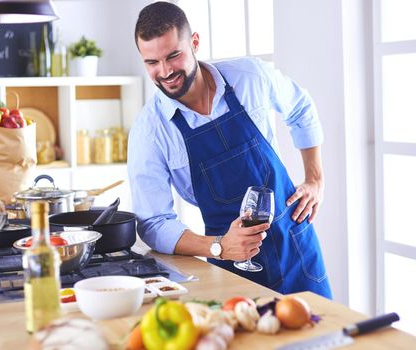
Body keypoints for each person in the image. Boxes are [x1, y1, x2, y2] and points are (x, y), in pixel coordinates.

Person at [128, 1, 332, 298]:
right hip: (230, 265)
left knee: (327, 339)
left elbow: (300, 108)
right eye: (152, 63)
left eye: (174, 55)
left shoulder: (250, 77)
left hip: (296, 249)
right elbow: (154, 222)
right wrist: (218, 246)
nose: (165, 71)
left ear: (194, 43)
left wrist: (315, 178)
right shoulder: (150, 132)